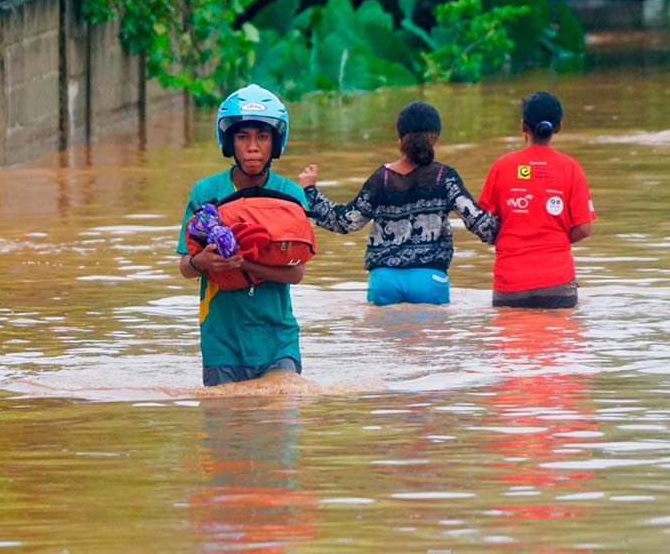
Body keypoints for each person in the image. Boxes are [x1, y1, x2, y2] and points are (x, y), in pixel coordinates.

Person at [297, 101, 499, 306]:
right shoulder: (444, 177)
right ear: (435, 137)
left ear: (399, 138)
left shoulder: (381, 179)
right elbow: (480, 224)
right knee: (433, 338)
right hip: (429, 280)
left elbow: (345, 222)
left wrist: (310, 191)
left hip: (384, 281)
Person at [177, 84, 309, 387]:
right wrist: (202, 262)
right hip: (221, 341)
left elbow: (296, 273)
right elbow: (185, 267)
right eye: (243, 137)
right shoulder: (205, 192)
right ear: (230, 143)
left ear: (275, 143)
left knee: (279, 424)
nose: (253, 147)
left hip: (278, 339)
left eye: (262, 137)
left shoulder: (291, 195)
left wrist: (244, 265)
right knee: (227, 431)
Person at [478, 91, 595, 308]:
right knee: (560, 341)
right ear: (558, 127)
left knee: (510, 341)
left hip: (510, 283)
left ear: (523, 126)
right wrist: (554, 241)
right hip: (557, 281)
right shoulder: (571, 168)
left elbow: (482, 221)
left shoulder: (501, 166)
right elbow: (584, 228)